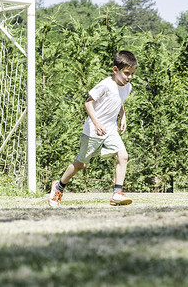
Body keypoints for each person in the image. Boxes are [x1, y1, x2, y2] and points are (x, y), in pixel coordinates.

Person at [49, 50, 138, 207]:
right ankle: (59, 186)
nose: (129, 77)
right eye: (126, 73)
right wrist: (96, 123)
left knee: (123, 156)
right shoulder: (105, 85)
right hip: (93, 129)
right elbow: (88, 103)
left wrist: (123, 116)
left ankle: (117, 193)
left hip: (110, 130)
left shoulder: (127, 86)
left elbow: (119, 100)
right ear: (115, 69)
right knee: (80, 165)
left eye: (132, 74)